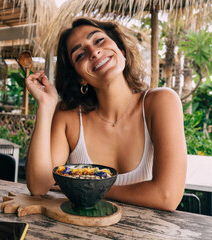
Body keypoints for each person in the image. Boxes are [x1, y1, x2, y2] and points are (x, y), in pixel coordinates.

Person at [25, 17, 187, 211]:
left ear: (121, 49)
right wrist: (45, 105)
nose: (94, 52)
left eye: (99, 40)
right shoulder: (68, 116)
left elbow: (167, 196)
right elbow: (39, 186)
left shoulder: (160, 102)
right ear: (80, 78)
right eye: (80, 55)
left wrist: (88, 189)